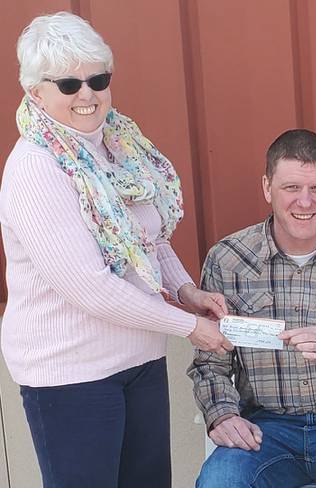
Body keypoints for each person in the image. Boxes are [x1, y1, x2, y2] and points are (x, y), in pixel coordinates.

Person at [0, 11, 233, 488]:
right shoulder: (36, 170)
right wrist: (190, 327)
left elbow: (147, 238)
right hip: (73, 376)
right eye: (68, 84)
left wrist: (186, 290)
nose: (86, 94)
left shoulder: (118, 146)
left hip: (139, 361)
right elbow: (91, 289)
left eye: (97, 78)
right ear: (35, 92)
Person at [189, 128, 316, 488]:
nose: (305, 202)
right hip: (264, 424)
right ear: (267, 187)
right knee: (219, 480)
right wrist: (221, 416)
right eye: (291, 188)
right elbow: (210, 364)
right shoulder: (228, 260)